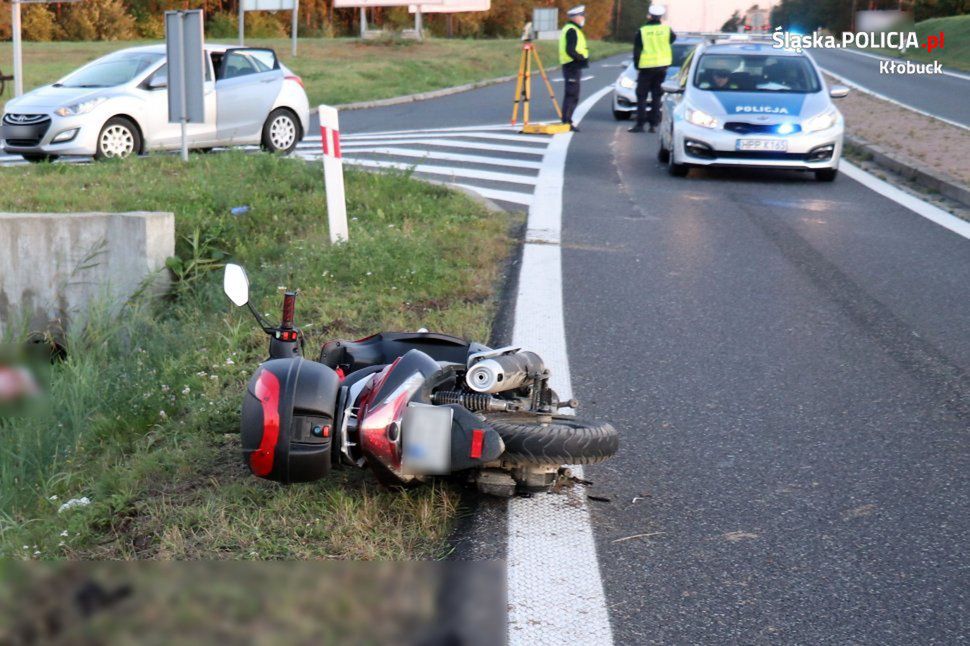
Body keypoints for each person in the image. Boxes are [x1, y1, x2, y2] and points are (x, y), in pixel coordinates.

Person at [629, 4, 676, 133]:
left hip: (646, 68)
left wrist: (637, 65)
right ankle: (653, 124)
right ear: (661, 17)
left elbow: (637, 51)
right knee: (657, 96)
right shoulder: (667, 30)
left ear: (649, 16)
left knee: (642, 96)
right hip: (661, 68)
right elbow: (672, 39)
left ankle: (640, 124)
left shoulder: (642, 31)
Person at [559, 5, 589, 132]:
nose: (583, 18)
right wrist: (581, 57)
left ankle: (568, 120)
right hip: (572, 65)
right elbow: (570, 49)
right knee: (572, 94)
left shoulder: (572, 29)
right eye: (581, 15)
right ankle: (566, 121)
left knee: (572, 94)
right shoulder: (572, 30)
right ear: (575, 17)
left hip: (572, 65)